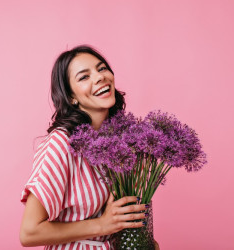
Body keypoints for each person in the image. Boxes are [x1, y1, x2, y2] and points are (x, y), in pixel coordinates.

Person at [19, 45, 160, 250]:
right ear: (71, 97)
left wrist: (146, 243)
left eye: (102, 68)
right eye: (84, 77)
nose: (100, 77)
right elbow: (29, 232)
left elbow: (121, 219)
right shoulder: (61, 144)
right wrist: (102, 225)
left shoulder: (119, 141)